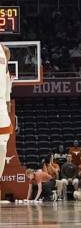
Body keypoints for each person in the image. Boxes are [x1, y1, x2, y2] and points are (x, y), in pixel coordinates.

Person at [0, 45, 11, 199]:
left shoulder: (4, 49)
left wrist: (7, 108)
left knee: (2, 148)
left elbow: (8, 97)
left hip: (1, 105)